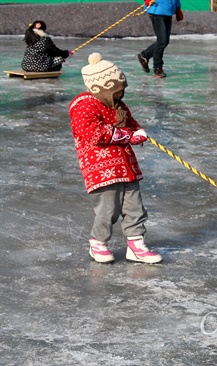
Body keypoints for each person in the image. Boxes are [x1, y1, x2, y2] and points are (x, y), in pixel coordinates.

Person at [69, 52, 162, 264]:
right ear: (99, 89)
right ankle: (98, 243)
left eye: (122, 90)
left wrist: (139, 132)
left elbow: (130, 123)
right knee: (108, 210)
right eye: (116, 91)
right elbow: (94, 133)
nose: (120, 95)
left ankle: (136, 246)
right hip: (101, 169)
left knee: (135, 208)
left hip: (126, 166)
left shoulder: (117, 106)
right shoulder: (83, 105)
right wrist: (130, 135)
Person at [137, 0, 184, 78]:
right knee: (162, 41)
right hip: (157, 10)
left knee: (164, 41)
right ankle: (158, 68)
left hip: (168, 11)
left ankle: (145, 55)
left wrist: (177, 7)